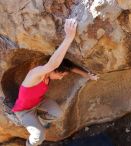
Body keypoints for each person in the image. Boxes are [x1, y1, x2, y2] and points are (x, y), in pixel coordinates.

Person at [12, 18, 98, 146]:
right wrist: (69, 37)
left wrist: (87, 75)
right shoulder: (36, 74)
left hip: (39, 101)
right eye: (61, 75)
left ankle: (39, 119)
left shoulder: (49, 75)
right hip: (24, 110)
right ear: (54, 70)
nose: (61, 78)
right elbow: (53, 63)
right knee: (39, 135)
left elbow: (70, 67)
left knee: (57, 113)